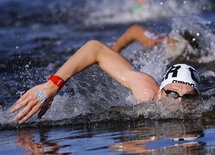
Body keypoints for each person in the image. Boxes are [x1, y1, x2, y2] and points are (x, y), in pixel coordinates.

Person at [11, 24, 200, 124]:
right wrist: (52, 85)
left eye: (188, 98)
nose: (179, 102)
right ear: (159, 92)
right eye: (172, 94)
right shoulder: (146, 89)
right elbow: (95, 48)